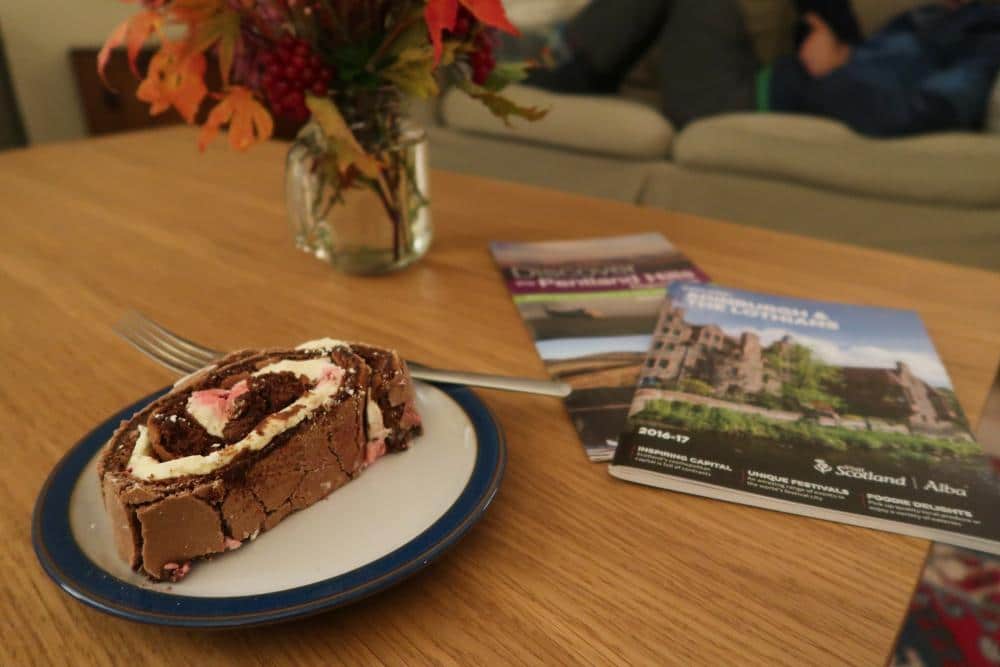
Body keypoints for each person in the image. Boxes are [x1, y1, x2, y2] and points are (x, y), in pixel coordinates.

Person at [525, 0, 1000, 136]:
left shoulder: (983, 36)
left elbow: (921, 110)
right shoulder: (928, 17)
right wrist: (838, 48)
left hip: (744, 102)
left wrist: (836, 68)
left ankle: (566, 66)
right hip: (767, 79)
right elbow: (862, 56)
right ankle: (566, 59)